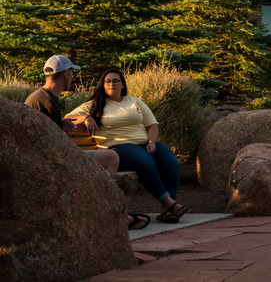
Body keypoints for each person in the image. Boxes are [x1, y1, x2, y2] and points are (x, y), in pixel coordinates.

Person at [25, 55, 150, 230]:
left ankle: (111, 211)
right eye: (72, 74)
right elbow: (50, 143)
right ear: (67, 74)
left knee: (110, 157)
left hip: (50, 156)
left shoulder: (42, 97)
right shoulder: (46, 101)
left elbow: (46, 130)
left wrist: (61, 123)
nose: (73, 78)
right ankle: (113, 213)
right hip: (52, 161)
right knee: (111, 158)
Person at [68, 69, 189, 224]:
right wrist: (85, 117)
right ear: (103, 85)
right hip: (117, 147)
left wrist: (152, 142)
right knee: (146, 162)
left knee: (172, 163)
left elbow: (152, 124)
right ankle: (169, 203)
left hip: (144, 144)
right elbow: (68, 118)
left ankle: (167, 211)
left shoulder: (134, 101)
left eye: (115, 81)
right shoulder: (93, 105)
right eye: (108, 81)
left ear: (122, 85)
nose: (112, 84)